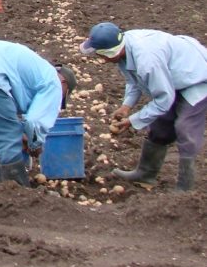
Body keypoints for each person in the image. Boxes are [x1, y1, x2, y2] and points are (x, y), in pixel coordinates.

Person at [80, 22, 207, 192]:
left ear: (111, 53)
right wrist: (126, 106)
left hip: (197, 76)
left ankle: (185, 190)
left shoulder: (147, 60)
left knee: (185, 128)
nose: (100, 59)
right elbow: (134, 80)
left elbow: (163, 99)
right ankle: (145, 174)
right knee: (161, 126)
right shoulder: (125, 48)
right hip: (174, 76)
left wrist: (132, 120)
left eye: (100, 55)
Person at [0, 40, 77, 187]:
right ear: (64, 84)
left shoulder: (38, 70)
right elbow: (35, 121)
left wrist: (23, 131)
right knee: (8, 139)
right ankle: (18, 193)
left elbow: (8, 111)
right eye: (63, 96)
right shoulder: (54, 82)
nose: (59, 99)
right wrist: (35, 144)